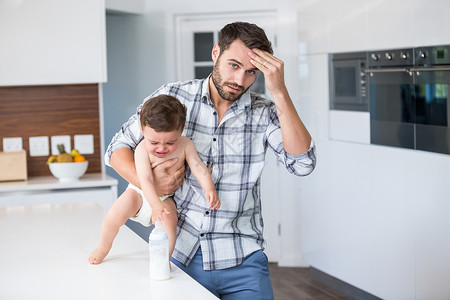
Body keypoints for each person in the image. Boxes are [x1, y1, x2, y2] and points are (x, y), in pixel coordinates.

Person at [105, 22, 316, 299]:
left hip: (244, 261)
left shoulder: (265, 112)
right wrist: (151, 186)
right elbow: (116, 149)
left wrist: (279, 92)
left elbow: (302, 164)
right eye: (234, 65)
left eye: (251, 72)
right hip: (180, 255)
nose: (240, 80)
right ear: (216, 52)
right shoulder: (173, 96)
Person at [89, 94, 220, 265]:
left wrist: (209, 189)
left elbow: (198, 167)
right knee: (114, 216)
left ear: (181, 130)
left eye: (170, 142)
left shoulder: (186, 145)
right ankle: (103, 247)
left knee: (170, 225)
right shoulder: (142, 149)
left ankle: (164, 262)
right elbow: (145, 180)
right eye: (154, 142)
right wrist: (154, 205)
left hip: (165, 199)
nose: (161, 148)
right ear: (142, 130)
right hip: (138, 193)